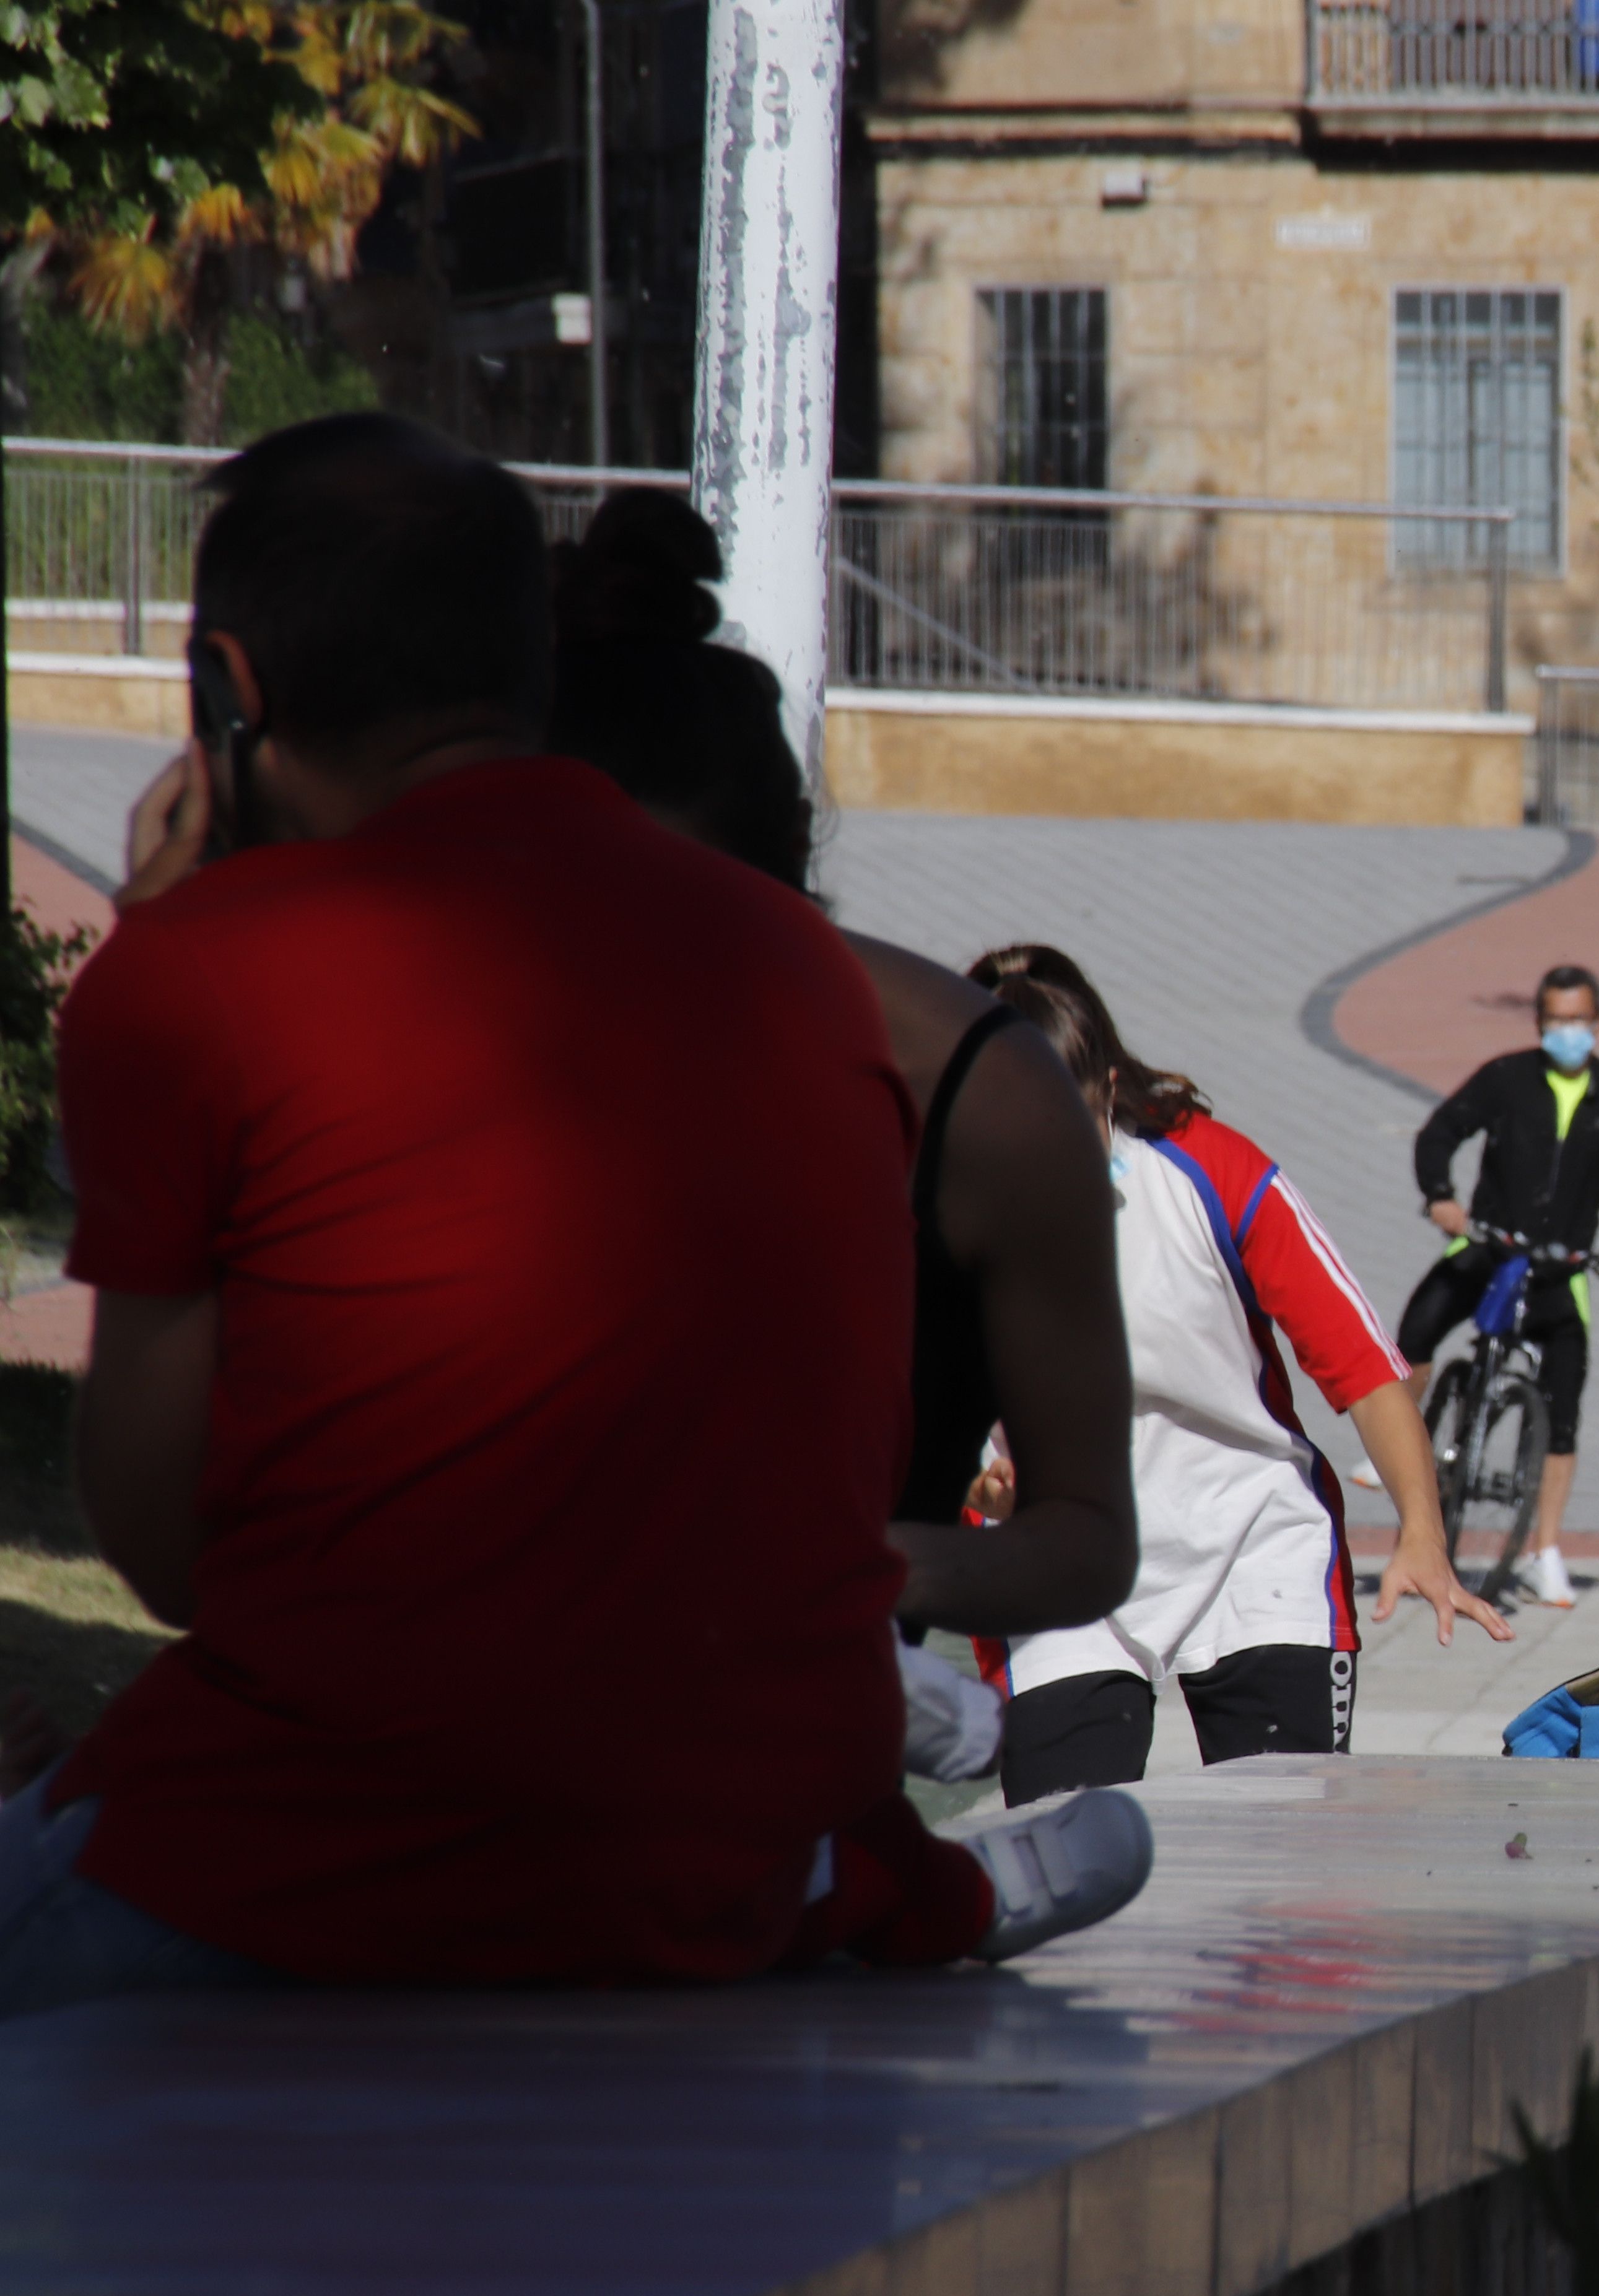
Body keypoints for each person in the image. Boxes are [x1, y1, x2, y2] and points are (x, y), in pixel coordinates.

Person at [0, 414, 1139, 2021]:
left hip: (298, 1869)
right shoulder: (814, 983)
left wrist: (157, 952)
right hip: (721, 1869)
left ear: (227, 698)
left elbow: (167, 1552)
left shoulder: (193, 976)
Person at [543, 490, 1141, 1786]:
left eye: (682, 923)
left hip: (766, 1792)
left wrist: (841, 1562)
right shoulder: (457, 1027)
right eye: (583, 915)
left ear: (788, 879)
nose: (637, 979)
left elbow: (1086, 1535)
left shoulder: (982, 1093)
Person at [977, 948, 1507, 1800]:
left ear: (1108, 1089)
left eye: (1067, 1117)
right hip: (1061, 1559)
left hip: (1247, 1537)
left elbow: (1366, 1368)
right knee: (1060, 1865)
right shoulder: (932, 1208)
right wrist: (980, 1486)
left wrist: (1422, 1529)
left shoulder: (1211, 1171)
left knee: (1285, 1860)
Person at [1385, 965, 1599, 1607]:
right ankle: (1393, 1445)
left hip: (1559, 1270)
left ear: (1598, 1024)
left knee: (1564, 1410)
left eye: (1577, 1020)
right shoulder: (1508, 1078)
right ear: (1539, 1022)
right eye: (1553, 1019)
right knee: (1412, 1336)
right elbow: (1441, 1132)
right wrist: (1441, 1197)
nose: (1565, 1031)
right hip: (1486, 1248)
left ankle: (1543, 1549)